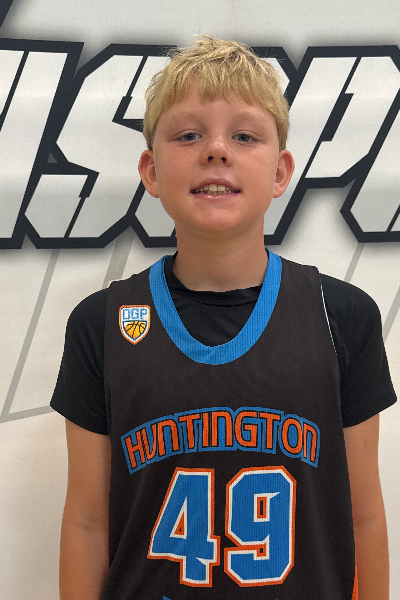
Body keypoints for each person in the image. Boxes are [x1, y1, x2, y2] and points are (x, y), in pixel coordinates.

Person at [51, 36, 397, 600]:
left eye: (244, 136)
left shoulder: (342, 316)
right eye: (188, 135)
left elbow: (365, 517)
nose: (216, 150)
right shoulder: (102, 324)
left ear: (281, 172)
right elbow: (87, 523)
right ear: (151, 171)